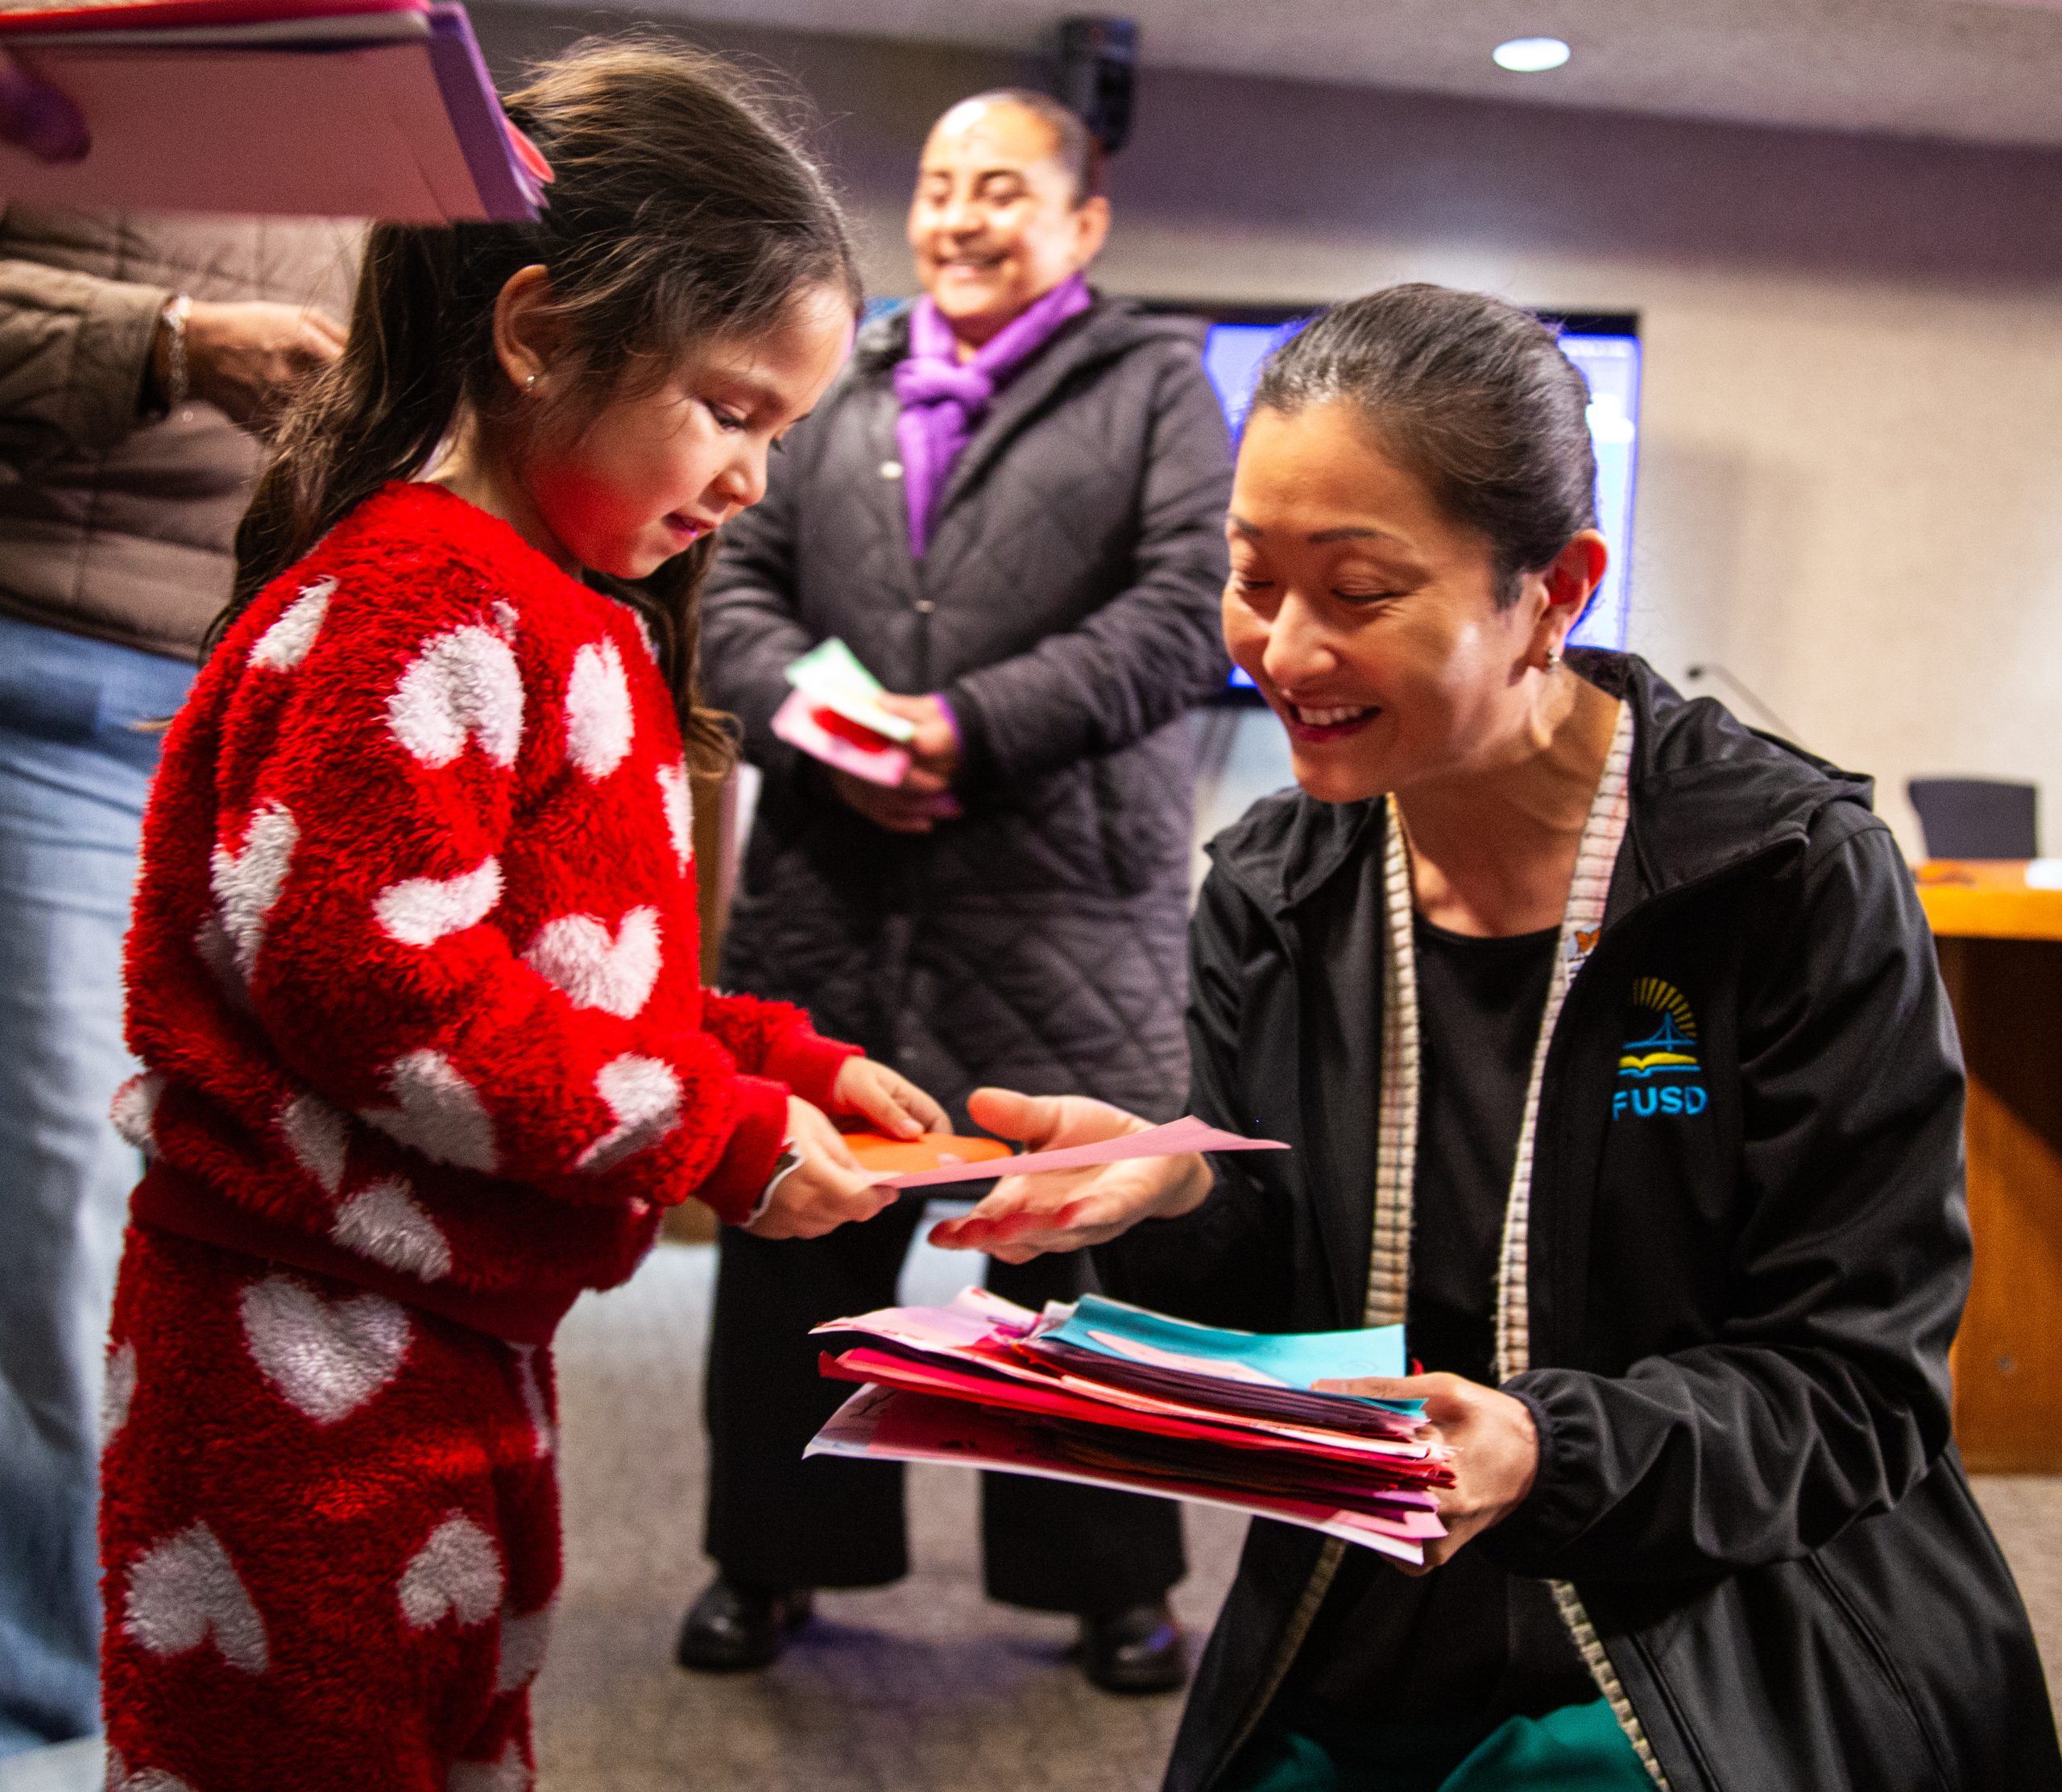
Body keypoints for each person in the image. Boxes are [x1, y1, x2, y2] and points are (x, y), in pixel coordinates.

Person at [929, 284, 2062, 1790]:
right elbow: (1296, 1286)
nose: (1281, 646)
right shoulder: (1280, 886)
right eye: (1251, 578)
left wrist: (1543, 1448)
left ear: (1556, 590)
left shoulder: (1788, 878)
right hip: (1367, 1595)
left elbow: (1855, 1390)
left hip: (1710, 1607)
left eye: (1359, 590)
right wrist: (1177, 1192)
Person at [94, 42, 947, 1789]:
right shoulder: (413, 602)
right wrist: (716, 1133)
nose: (752, 484)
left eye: (779, 431)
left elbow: (576, 981)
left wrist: (789, 1063)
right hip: (292, 1352)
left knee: (452, 1727)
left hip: (455, 1330)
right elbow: (376, 983)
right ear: (541, 331)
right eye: (728, 409)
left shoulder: (570, 618)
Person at [684, 87, 1232, 1691]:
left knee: (1067, 1260)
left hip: (1061, 904)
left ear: (1081, 226)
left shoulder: (1154, 385)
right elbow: (733, 592)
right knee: (795, 1237)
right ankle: (768, 1566)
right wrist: (818, 721)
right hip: (830, 884)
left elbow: (1182, 610)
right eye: (934, 188)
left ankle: (1108, 1587)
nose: (957, 217)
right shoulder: (834, 371)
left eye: (999, 189)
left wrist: (966, 729)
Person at [0, 81, 358, 1757]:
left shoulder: (388, 95)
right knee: (58, 1221)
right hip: (37, 678)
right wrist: (163, 342)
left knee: (213, 1225)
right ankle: (56, 1717)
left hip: (250, 707)